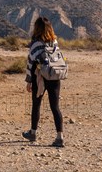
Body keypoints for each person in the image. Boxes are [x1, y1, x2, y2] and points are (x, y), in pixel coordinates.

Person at [22, 16, 64, 147]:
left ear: (37, 28)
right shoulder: (54, 42)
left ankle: (33, 133)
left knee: (36, 104)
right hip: (54, 76)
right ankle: (59, 137)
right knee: (55, 107)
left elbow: (30, 63)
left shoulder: (35, 43)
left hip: (39, 77)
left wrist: (29, 80)